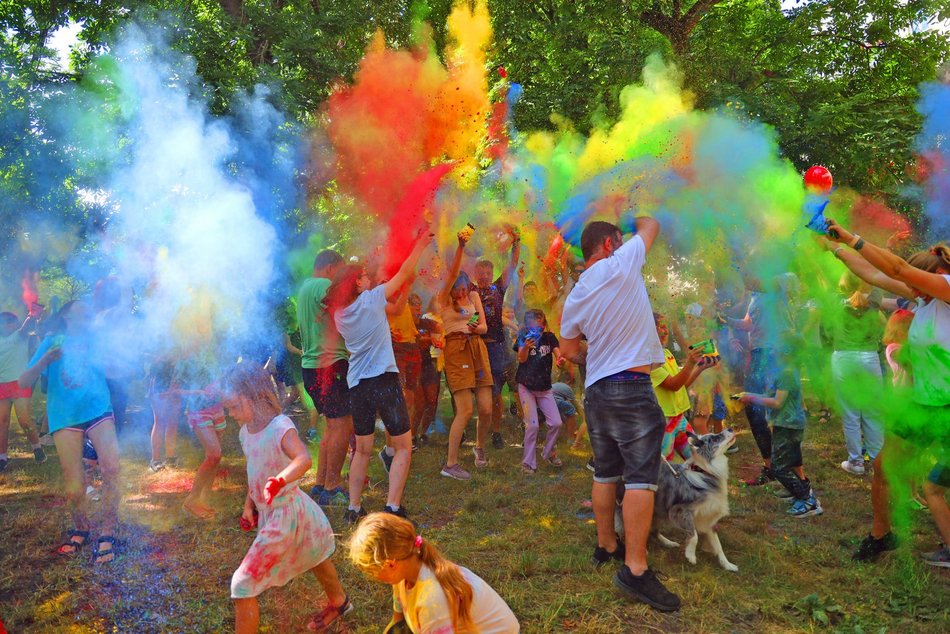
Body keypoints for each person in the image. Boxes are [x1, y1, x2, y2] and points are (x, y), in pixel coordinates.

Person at [559, 218, 682, 612]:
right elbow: (651, 225)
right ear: (611, 243)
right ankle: (636, 568)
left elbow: (567, 347)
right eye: (620, 238)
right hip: (631, 387)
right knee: (641, 481)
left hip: (596, 391)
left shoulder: (577, 293)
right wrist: (628, 216)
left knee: (605, 471)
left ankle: (606, 545)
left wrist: (593, 357)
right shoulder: (622, 259)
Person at [820, 224, 949, 566]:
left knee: (938, 485)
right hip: (924, 406)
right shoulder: (925, 301)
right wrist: (833, 247)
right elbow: (874, 275)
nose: (911, 292)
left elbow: (896, 269)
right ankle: (882, 534)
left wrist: (852, 237)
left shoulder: (948, 289)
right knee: (882, 466)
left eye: (916, 285)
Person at [222, 364, 351, 633]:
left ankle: (339, 601)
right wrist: (249, 504)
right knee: (314, 555)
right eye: (228, 409)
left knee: (242, 584)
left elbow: (303, 459)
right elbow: (255, 470)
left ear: (255, 395)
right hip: (274, 513)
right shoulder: (245, 433)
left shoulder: (280, 426)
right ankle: (340, 602)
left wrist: (280, 480)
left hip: (289, 512)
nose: (231, 414)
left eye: (234, 406)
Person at [325, 228, 432, 523]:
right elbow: (406, 269)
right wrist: (420, 243)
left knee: (362, 451)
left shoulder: (341, 314)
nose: (369, 278)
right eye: (364, 276)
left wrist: (406, 284)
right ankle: (393, 507)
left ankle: (354, 508)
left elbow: (396, 308)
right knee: (403, 447)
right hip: (384, 381)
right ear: (356, 283)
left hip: (358, 386)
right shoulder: (370, 299)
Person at [19, 300, 120, 564]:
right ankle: (81, 528)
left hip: (98, 408)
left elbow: (116, 371)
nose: (88, 313)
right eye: (82, 311)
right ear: (66, 316)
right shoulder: (53, 341)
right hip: (65, 416)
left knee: (111, 468)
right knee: (74, 482)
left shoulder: (96, 341)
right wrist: (46, 359)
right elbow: (23, 381)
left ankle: (108, 531)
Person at [349, 512, 520, 633]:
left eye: (371, 572)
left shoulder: (432, 602)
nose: (372, 578)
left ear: (390, 564)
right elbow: (398, 623)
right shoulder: (404, 572)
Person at [727, 272, 799, 486]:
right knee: (753, 409)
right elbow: (748, 324)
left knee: (782, 410)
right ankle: (771, 466)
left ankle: (791, 470)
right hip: (759, 354)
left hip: (778, 352)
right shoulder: (755, 296)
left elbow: (776, 283)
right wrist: (725, 319)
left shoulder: (783, 279)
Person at [437, 231, 492, 481]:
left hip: (476, 346)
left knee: (486, 408)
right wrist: (460, 247)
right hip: (456, 348)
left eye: (463, 288)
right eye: (457, 288)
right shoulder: (444, 300)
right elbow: (451, 274)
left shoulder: (473, 296)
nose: (461, 292)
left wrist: (475, 328)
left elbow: (483, 326)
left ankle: (479, 449)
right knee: (466, 410)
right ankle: (451, 463)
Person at [298, 250, 351, 507]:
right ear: (330, 268)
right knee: (341, 425)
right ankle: (332, 487)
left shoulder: (305, 288)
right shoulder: (325, 286)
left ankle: (320, 484)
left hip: (312, 367)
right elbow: (344, 305)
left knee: (331, 425)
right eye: (339, 270)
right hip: (330, 366)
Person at [738, 356, 822, 517]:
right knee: (793, 461)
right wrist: (748, 394)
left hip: (788, 425)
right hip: (784, 424)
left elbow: (778, 402)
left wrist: (752, 399)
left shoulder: (787, 373)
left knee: (778, 468)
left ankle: (808, 501)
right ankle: (799, 493)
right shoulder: (782, 371)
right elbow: (771, 395)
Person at [821, 273, 886, 475]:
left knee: (850, 414)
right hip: (869, 357)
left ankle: (856, 462)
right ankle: (877, 464)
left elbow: (825, 330)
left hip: (843, 358)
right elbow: (878, 281)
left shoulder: (832, 300)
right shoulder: (874, 299)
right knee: (873, 413)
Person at [472, 228, 521, 450]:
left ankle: (497, 433)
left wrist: (516, 241)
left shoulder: (497, 289)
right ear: (475, 274)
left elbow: (511, 267)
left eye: (487, 273)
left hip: (498, 349)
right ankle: (476, 429)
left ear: (491, 274)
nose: (484, 276)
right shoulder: (469, 291)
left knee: (498, 392)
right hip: (476, 347)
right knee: (478, 392)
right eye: (480, 272)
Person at [651, 313, 717, 461]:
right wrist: (690, 362)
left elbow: (681, 385)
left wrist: (700, 367)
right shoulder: (649, 358)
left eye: (665, 326)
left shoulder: (666, 353)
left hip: (679, 417)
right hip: (663, 421)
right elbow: (674, 385)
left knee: (700, 459)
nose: (665, 331)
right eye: (659, 327)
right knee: (664, 469)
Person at [513, 309, 563, 474]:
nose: (536, 326)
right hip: (526, 387)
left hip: (544, 388)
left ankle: (547, 452)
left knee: (556, 423)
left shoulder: (549, 337)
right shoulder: (523, 337)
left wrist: (560, 359)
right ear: (528, 324)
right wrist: (526, 348)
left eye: (539, 322)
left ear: (544, 323)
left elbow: (557, 352)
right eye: (533, 322)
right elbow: (521, 359)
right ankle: (528, 463)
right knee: (532, 425)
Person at [0, 310, 45, 471]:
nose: (7, 325)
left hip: (19, 383)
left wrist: (32, 313)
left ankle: (37, 448)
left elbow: (26, 326)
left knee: (24, 419)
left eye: (10, 322)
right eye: (4, 323)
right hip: (1, 385)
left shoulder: (20, 336)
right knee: (2, 422)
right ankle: (2, 458)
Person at [410, 293, 442, 446]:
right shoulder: (405, 324)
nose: (417, 306)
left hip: (428, 364)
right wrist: (431, 339)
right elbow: (415, 341)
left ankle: (423, 433)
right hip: (412, 367)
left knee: (432, 401)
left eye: (419, 303)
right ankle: (412, 436)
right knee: (420, 405)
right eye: (413, 304)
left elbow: (444, 328)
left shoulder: (426, 322)